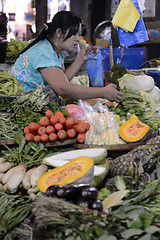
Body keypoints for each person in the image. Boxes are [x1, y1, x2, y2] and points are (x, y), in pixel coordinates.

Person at [11, 11, 123, 103]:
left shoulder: (55, 51)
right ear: (59, 32)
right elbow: (63, 89)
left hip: (34, 101)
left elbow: (62, 80)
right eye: (75, 34)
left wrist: (80, 58)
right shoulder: (43, 53)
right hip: (20, 102)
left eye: (79, 34)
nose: (78, 39)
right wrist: (103, 92)